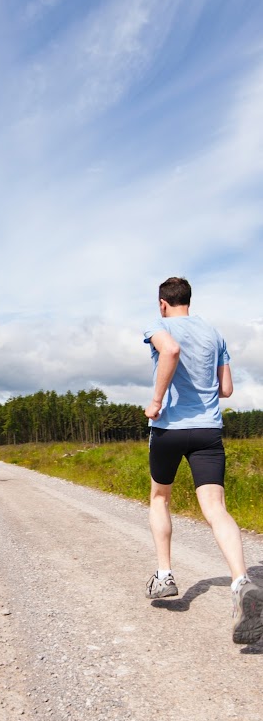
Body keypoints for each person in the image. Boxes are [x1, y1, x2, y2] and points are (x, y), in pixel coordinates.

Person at [143, 276, 263, 645]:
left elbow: (170, 351)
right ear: (188, 300)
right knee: (215, 508)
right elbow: (226, 388)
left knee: (160, 497)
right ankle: (241, 581)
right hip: (208, 430)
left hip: (168, 429)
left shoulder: (159, 326)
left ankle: (164, 575)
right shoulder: (214, 334)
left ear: (163, 303)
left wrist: (157, 401)